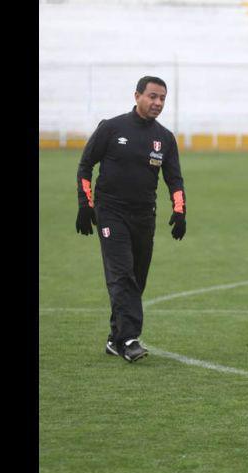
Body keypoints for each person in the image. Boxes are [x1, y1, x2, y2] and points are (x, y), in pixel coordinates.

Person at [75, 75, 187, 363]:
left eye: (162, 98)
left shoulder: (164, 138)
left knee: (136, 279)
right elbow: (86, 165)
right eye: (152, 96)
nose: (157, 103)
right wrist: (85, 204)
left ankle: (115, 338)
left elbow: (174, 178)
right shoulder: (111, 128)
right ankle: (129, 339)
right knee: (122, 274)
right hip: (111, 212)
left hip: (143, 217)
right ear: (137, 95)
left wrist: (179, 209)